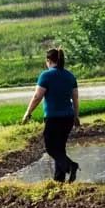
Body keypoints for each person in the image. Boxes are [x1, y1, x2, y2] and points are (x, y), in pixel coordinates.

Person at [21, 48, 81, 183]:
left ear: (48, 61)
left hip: (54, 118)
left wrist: (28, 113)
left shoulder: (46, 75)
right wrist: (76, 116)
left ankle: (71, 166)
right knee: (60, 148)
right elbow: (75, 98)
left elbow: (37, 96)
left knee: (51, 148)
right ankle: (58, 180)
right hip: (68, 118)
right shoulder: (70, 76)